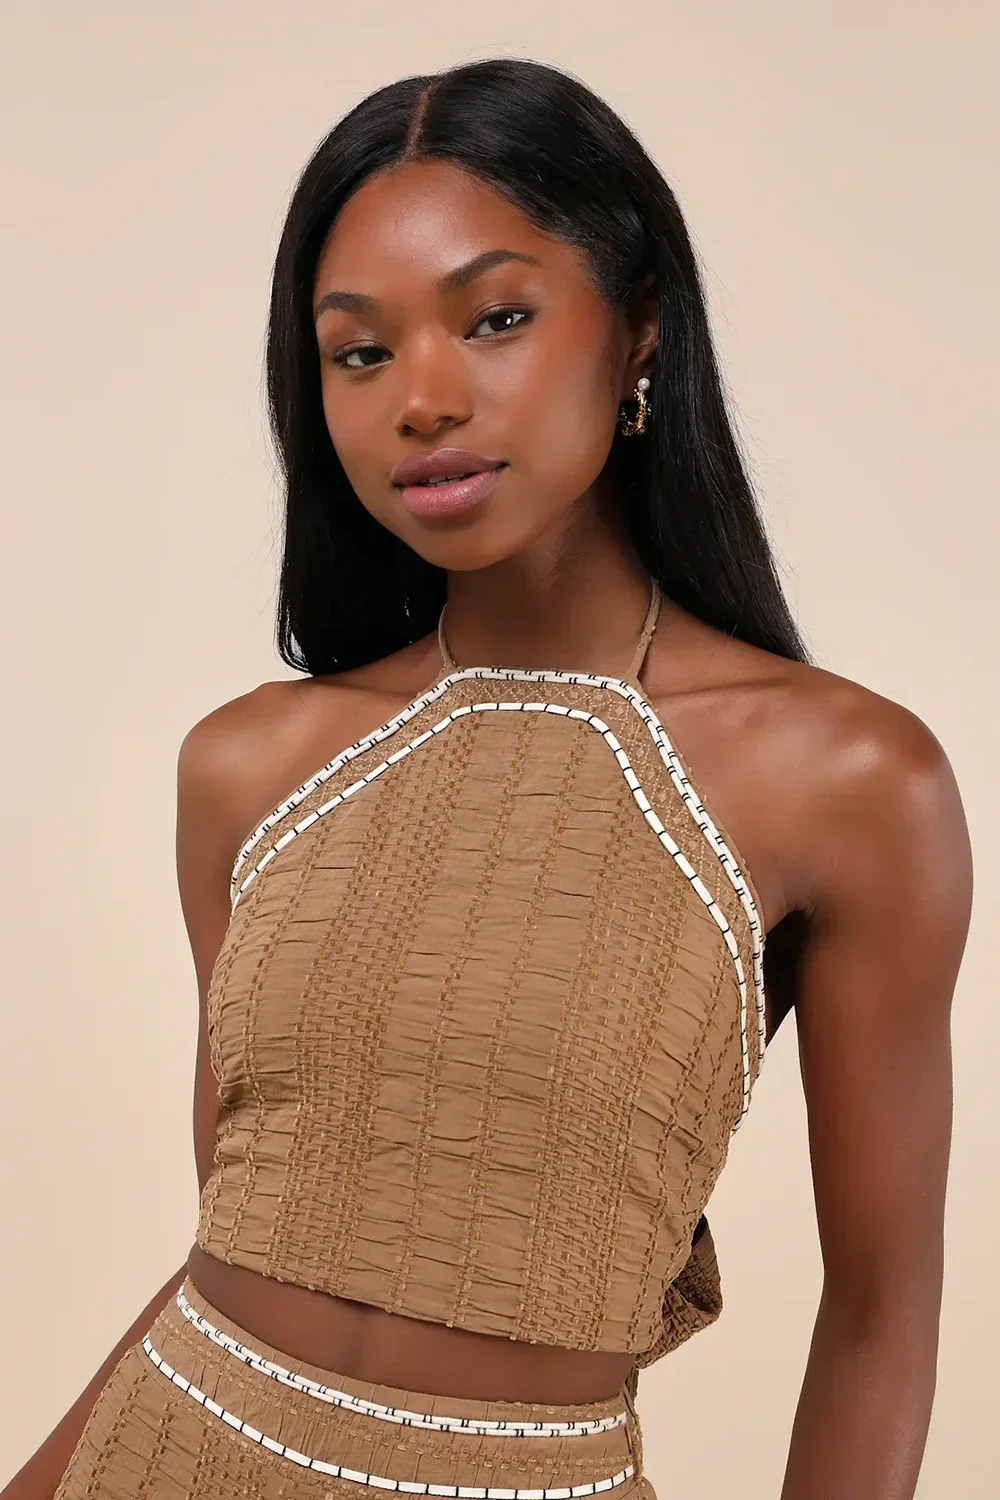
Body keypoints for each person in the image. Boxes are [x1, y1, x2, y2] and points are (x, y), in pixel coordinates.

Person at [4, 55, 971, 1500]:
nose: (424, 399)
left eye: (497, 318)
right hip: (168, 1445)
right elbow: (246, 1250)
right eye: (359, 352)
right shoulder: (250, 765)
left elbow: (883, 1314)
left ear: (640, 325)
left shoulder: (848, 779)